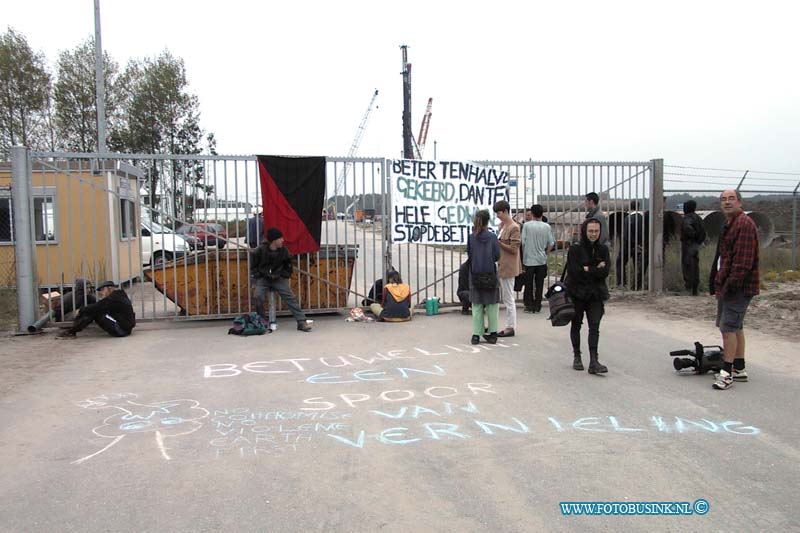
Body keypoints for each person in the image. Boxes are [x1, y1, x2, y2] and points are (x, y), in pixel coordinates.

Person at [709, 189, 759, 390]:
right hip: (728, 283)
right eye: (723, 199)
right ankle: (739, 367)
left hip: (737, 287)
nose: (727, 202)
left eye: (731, 199)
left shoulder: (744, 224)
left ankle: (726, 373)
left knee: (727, 327)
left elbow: (743, 263)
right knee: (736, 326)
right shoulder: (730, 223)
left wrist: (729, 285)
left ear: (739, 202)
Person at [567, 219, 611, 374]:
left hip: (595, 294)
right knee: (576, 324)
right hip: (577, 294)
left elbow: (605, 272)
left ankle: (594, 360)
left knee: (594, 326)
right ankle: (577, 355)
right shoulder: (575, 249)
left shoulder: (603, 249)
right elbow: (575, 272)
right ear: (585, 231)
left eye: (596, 231)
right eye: (590, 231)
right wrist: (595, 269)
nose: (593, 234)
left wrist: (587, 269)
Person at [250, 227, 313, 332]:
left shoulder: (284, 251)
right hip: (263, 279)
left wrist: (283, 275)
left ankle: (301, 321)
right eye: (280, 238)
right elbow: (253, 266)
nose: (283, 240)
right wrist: (259, 276)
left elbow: (288, 265)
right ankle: (262, 321)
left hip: (278, 278)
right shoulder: (259, 250)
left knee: (290, 298)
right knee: (258, 296)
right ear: (274, 240)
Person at [56, 281, 136, 339]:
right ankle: (72, 331)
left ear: (110, 288)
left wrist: (80, 310)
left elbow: (97, 306)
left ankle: (71, 332)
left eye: (102, 290)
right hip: (125, 328)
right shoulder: (118, 295)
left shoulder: (113, 298)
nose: (101, 292)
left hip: (121, 330)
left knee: (95, 311)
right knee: (96, 310)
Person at [467, 209, 501, 345]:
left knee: (477, 305)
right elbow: (497, 256)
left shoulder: (471, 237)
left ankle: (476, 334)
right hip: (490, 274)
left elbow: (469, 254)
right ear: (488, 221)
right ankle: (493, 333)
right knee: (492, 305)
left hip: (475, 273)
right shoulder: (492, 237)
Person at [493, 200, 521, 337]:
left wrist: (498, 243)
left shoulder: (514, 227)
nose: (497, 216)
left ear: (505, 211)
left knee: (509, 298)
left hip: (509, 266)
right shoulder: (504, 226)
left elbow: (514, 249)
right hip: (502, 264)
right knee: (506, 297)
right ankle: (509, 325)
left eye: (498, 213)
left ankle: (511, 326)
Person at [520, 204, 555, 313]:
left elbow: (523, 242)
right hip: (541, 260)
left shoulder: (527, 226)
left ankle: (529, 305)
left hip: (529, 260)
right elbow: (551, 243)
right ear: (542, 213)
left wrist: (524, 253)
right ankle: (537, 305)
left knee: (528, 284)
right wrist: (545, 252)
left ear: (532, 213)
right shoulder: (546, 227)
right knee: (539, 284)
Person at [616, 201, 649, 290]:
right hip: (640, 246)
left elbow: (626, 234)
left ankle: (622, 283)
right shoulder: (642, 218)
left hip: (628, 246)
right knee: (638, 267)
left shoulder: (627, 219)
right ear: (638, 207)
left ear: (630, 207)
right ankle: (637, 286)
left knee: (620, 263)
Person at [681, 200, 706, 295]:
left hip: (688, 244)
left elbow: (687, 228)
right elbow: (703, 232)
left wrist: (691, 237)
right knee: (695, 266)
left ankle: (689, 288)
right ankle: (695, 289)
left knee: (687, 265)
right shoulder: (698, 218)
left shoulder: (687, 218)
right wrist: (698, 241)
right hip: (695, 245)